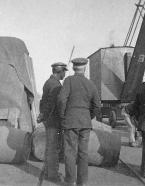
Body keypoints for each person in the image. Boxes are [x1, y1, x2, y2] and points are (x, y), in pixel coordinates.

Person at [58, 58, 100, 186]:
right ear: (85, 68)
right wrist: (89, 116)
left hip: (70, 121)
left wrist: (63, 116)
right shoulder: (91, 84)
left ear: (73, 68)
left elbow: (61, 99)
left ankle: (70, 181)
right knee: (83, 153)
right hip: (85, 122)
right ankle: (83, 182)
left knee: (70, 152)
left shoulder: (69, 81)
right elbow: (97, 106)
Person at [38, 62, 67, 182]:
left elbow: (43, 102)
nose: (65, 74)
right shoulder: (56, 85)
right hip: (54, 121)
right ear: (59, 72)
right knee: (54, 148)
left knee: (50, 147)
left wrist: (43, 116)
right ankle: (52, 175)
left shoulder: (48, 82)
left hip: (49, 120)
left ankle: (49, 172)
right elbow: (52, 105)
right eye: (64, 71)